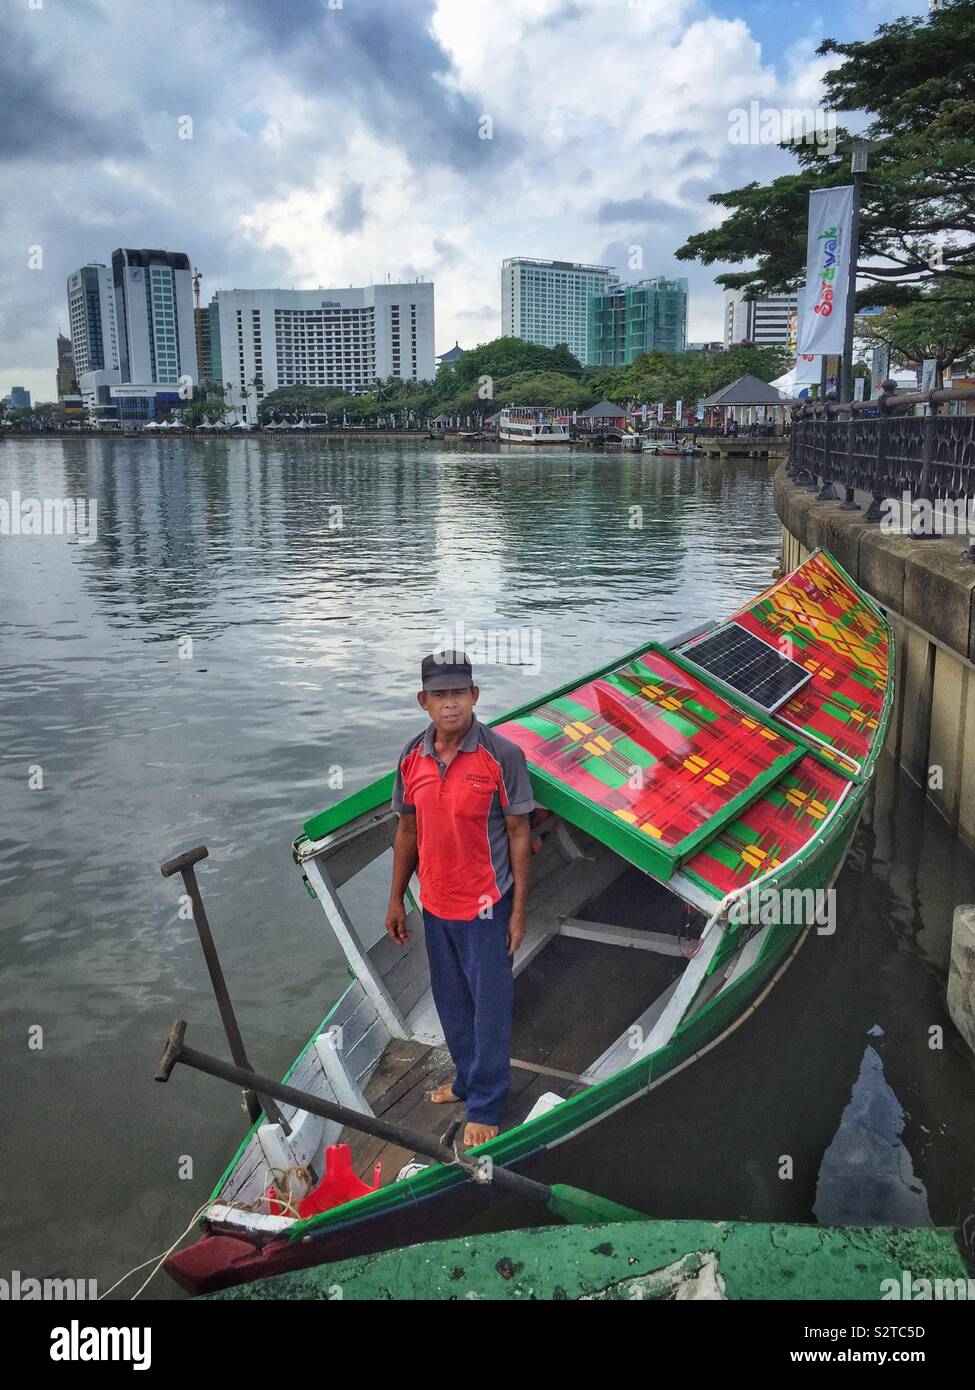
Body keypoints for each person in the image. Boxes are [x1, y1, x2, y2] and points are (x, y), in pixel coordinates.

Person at [385, 650, 534, 1148]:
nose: (452, 705)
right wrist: (395, 901)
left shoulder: (501, 755)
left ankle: (487, 1103)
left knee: (490, 1006)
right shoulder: (411, 756)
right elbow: (406, 829)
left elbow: (518, 832)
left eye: (460, 694)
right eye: (441, 696)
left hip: (487, 907)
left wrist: (517, 911)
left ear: (475, 697)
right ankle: (468, 1080)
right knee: (451, 1003)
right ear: (423, 701)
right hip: (435, 905)